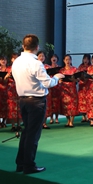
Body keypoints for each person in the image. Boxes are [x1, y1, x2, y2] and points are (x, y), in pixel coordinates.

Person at [11, 34, 63, 174]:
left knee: (26, 132)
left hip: (23, 99)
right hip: (36, 101)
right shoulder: (36, 63)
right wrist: (56, 77)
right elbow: (47, 83)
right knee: (33, 135)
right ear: (37, 47)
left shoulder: (16, 61)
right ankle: (29, 165)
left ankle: (21, 163)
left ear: (23, 46)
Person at [59, 54, 79, 128]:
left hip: (72, 89)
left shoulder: (75, 69)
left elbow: (78, 79)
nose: (68, 61)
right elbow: (59, 79)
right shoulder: (61, 70)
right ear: (64, 61)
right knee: (66, 105)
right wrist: (60, 81)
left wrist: (74, 79)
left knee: (73, 105)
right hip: (64, 89)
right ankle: (68, 120)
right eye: (66, 60)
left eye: (69, 59)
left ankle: (72, 121)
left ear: (71, 60)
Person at [77, 54, 91, 122]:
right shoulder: (80, 66)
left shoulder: (90, 67)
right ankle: (83, 116)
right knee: (82, 100)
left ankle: (88, 115)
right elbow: (77, 74)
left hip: (88, 85)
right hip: (82, 85)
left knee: (88, 100)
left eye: (87, 59)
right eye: (85, 59)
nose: (86, 60)